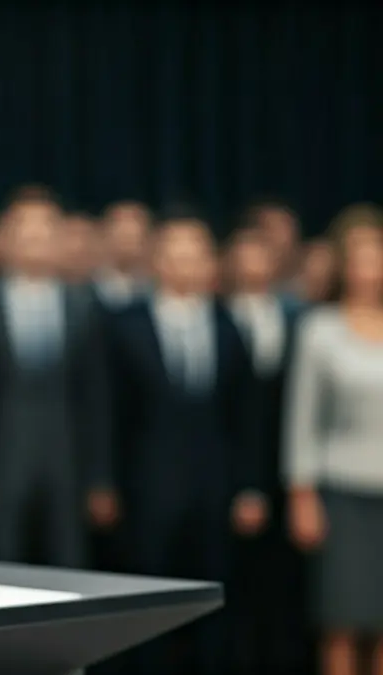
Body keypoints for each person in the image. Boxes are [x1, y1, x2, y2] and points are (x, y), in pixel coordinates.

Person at [110, 212, 266, 675]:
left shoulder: (229, 326)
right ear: (156, 261)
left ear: (211, 264)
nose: (185, 264)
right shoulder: (125, 326)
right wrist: (106, 484)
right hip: (147, 489)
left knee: (214, 601)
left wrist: (250, 487)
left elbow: (247, 418)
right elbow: (110, 415)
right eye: (175, 255)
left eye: (195, 255)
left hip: (216, 489)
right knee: (148, 604)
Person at [0, 188, 114, 568]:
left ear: (60, 239)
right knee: (1, 565)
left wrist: (100, 477)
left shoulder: (83, 308)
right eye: (24, 228)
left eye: (45, 229)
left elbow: (96, 400)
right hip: (2, 462)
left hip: (68, 463)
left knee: (68, 565)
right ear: (4, 238)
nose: (35, 238)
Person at [284, 204, 383, 675]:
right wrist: (301, 494)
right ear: (343, 263)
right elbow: (302, 420)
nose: (371, 266)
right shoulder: (319, 330)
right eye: (361, 255)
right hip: (341, 495)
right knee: (342, 623)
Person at [223, 227, 307, 673]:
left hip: (290, 468)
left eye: (265, 255)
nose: (256, 264)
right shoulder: (216, 319)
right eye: (246, 254)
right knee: (236, 585)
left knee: (285, 587)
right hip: (232, 473)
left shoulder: (299, 317)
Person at [94, 200, 152, 310]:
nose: (127, 247)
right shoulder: (88, 290)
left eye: (133, 239)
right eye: (123, 238)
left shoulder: (154, 292)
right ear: (106, 236)